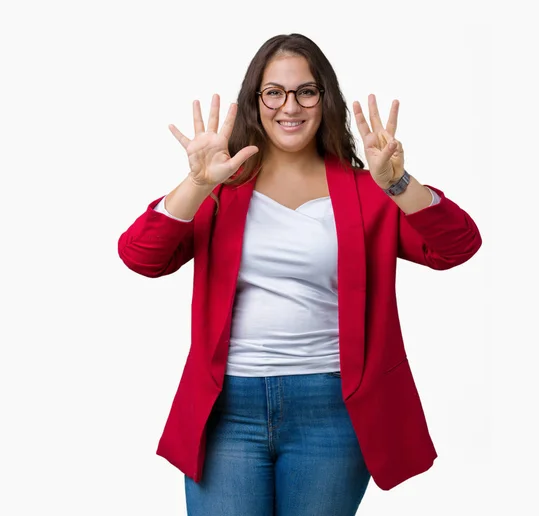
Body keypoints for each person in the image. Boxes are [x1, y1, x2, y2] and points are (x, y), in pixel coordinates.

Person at [118, 33, 482, 516]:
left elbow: (457, 246)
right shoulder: (221, 188)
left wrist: (396, 183)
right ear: (256, 100)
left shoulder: (368, 191)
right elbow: (141, 257)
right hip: (228, 408)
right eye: (274, 92)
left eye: (305, 91)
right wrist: (198, 183)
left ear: (324, 98)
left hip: (331, 410)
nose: (290, 106)